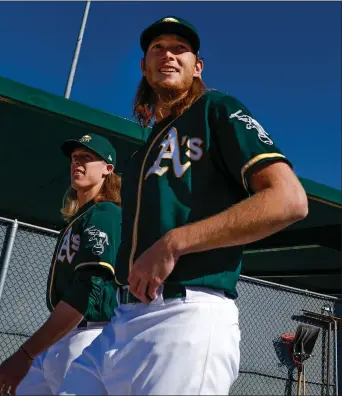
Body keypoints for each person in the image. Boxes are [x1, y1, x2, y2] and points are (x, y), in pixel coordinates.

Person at [58, 16, 309, 396]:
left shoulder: (217, 110)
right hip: (121, 322)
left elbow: (289, 200)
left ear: (197, 66)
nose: (168, 55)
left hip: (185, 314)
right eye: (157, 49)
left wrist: (175, 242)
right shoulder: (142, 153)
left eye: (180, 48)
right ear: (144, 66)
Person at [0, 133, 122, 396]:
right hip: (61, 339)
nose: (77, 164)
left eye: (87, 157)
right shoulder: (79, 218)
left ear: (108, 169)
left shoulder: (105, 214)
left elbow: (87, 291)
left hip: (90, 337)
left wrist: (25, 353)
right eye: (74, 158)